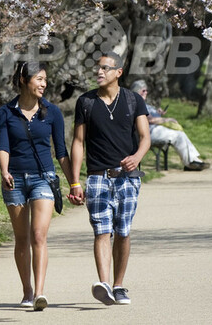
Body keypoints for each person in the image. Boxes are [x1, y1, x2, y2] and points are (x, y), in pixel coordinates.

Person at [69, 52, 151, 307]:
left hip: (127, 178)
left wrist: (136, 157)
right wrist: (75, 181)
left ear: (119, 72)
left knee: (123, 232)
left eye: (105, 68)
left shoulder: (133, 100)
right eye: (98, 68)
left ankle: (118, 285)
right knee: (102, 230)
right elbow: (78, 142)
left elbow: (145, 137)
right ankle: (104, 284)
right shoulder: (86, 102)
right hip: (97, 178)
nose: (100, 72)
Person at [0, 61, 74, 312]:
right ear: (23, 79)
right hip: (15, 179)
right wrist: (4, 171)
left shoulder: (53, 112)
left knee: (39, 235)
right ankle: (27, 291)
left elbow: (61, 152)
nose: (44, 84)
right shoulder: (5, 113)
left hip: (43, 178)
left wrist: (74, 183)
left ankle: (40, 292)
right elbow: (4, 146)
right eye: (39, 79)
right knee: (22, 238)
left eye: (45, 80)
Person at [129, 80, 210, 171]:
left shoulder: (145, 104)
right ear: (137, 91)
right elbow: (150, 119)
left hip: (157, 131)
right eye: (143, 90)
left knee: (179, 133)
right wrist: (167, 120)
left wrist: (158, 113)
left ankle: (193, 160)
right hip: (149, 133)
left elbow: (151, 116)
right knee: (178, 135)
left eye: (146, 90)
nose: (146, 92)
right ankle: (190, 162)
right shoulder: (136, 104)